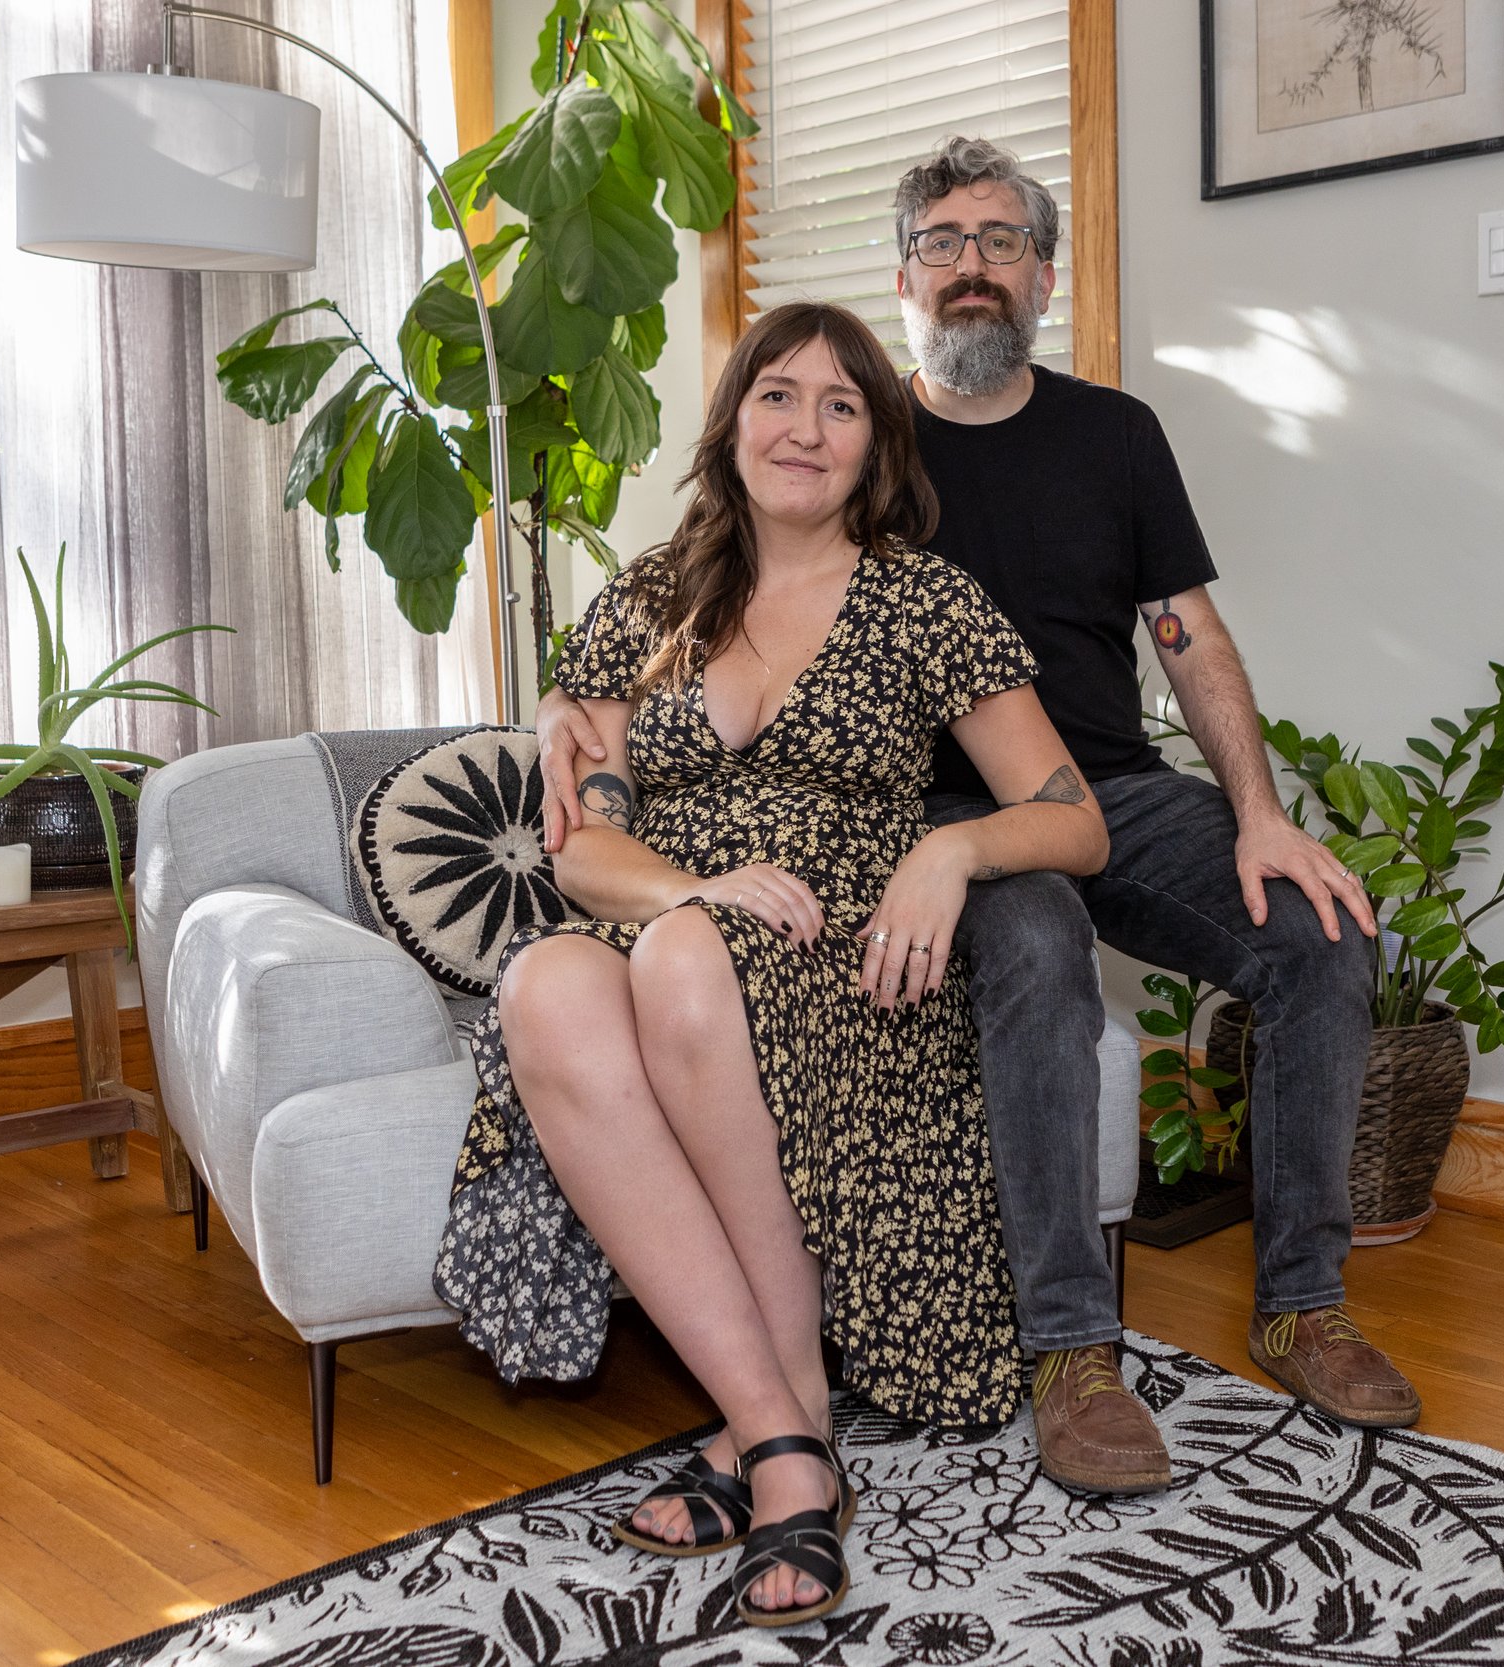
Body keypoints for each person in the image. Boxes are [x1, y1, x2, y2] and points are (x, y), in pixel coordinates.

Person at [540, 137, 1424, 1483]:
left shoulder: (1114, 436)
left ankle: (1304, 1302)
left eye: (1000, 241)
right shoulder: (854, 443)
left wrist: (1259, 813)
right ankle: (1072, 1351)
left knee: (1319, 933)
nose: (971, 265)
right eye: (942, 243)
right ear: (903, 278)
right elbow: (691, 616)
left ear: (1042, 277)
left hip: (1106, 787)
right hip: (920, 809)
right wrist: (567, 705)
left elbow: (1186, 634)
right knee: (1036, 949)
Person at [433, 300, 1108, 1629]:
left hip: (836, 954)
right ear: (733, 421)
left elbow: (1075, 819)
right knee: (543, 984)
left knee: (683, 962)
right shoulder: (653, 596)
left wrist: (952, 852)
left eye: (841, 405)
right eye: (778, 396)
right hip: (671, 915)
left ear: (876, 443)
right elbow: (585, 848)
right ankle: (784, 1424)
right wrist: (696, 889)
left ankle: (775, 1439)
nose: (806, 428)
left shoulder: (925, 600)